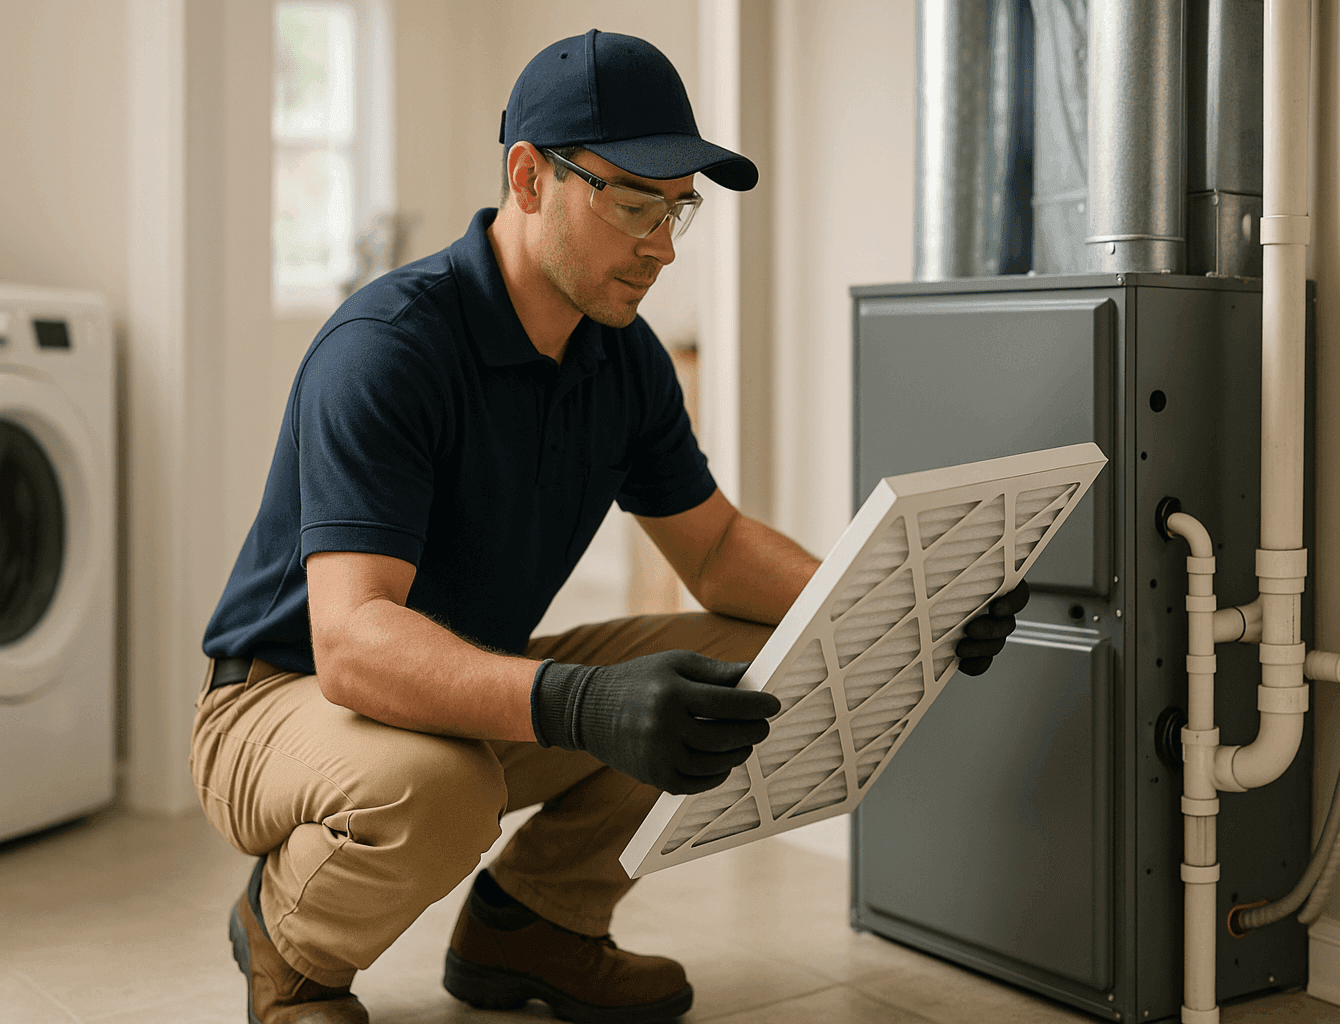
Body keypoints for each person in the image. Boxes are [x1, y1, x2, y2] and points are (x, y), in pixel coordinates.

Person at [192, 29, 1028, 1024]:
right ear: (530, 177)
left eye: (680, 211)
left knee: (762, 668)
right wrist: (583, 702)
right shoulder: (390, 347)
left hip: (453, 696)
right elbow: (353, 645)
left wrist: (902, 607)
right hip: (278, 703)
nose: (664, 246)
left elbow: (714, 550)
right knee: (442, 788)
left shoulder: (619, 356)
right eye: (637, 204)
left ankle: (535, 921)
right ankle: (289, 951)